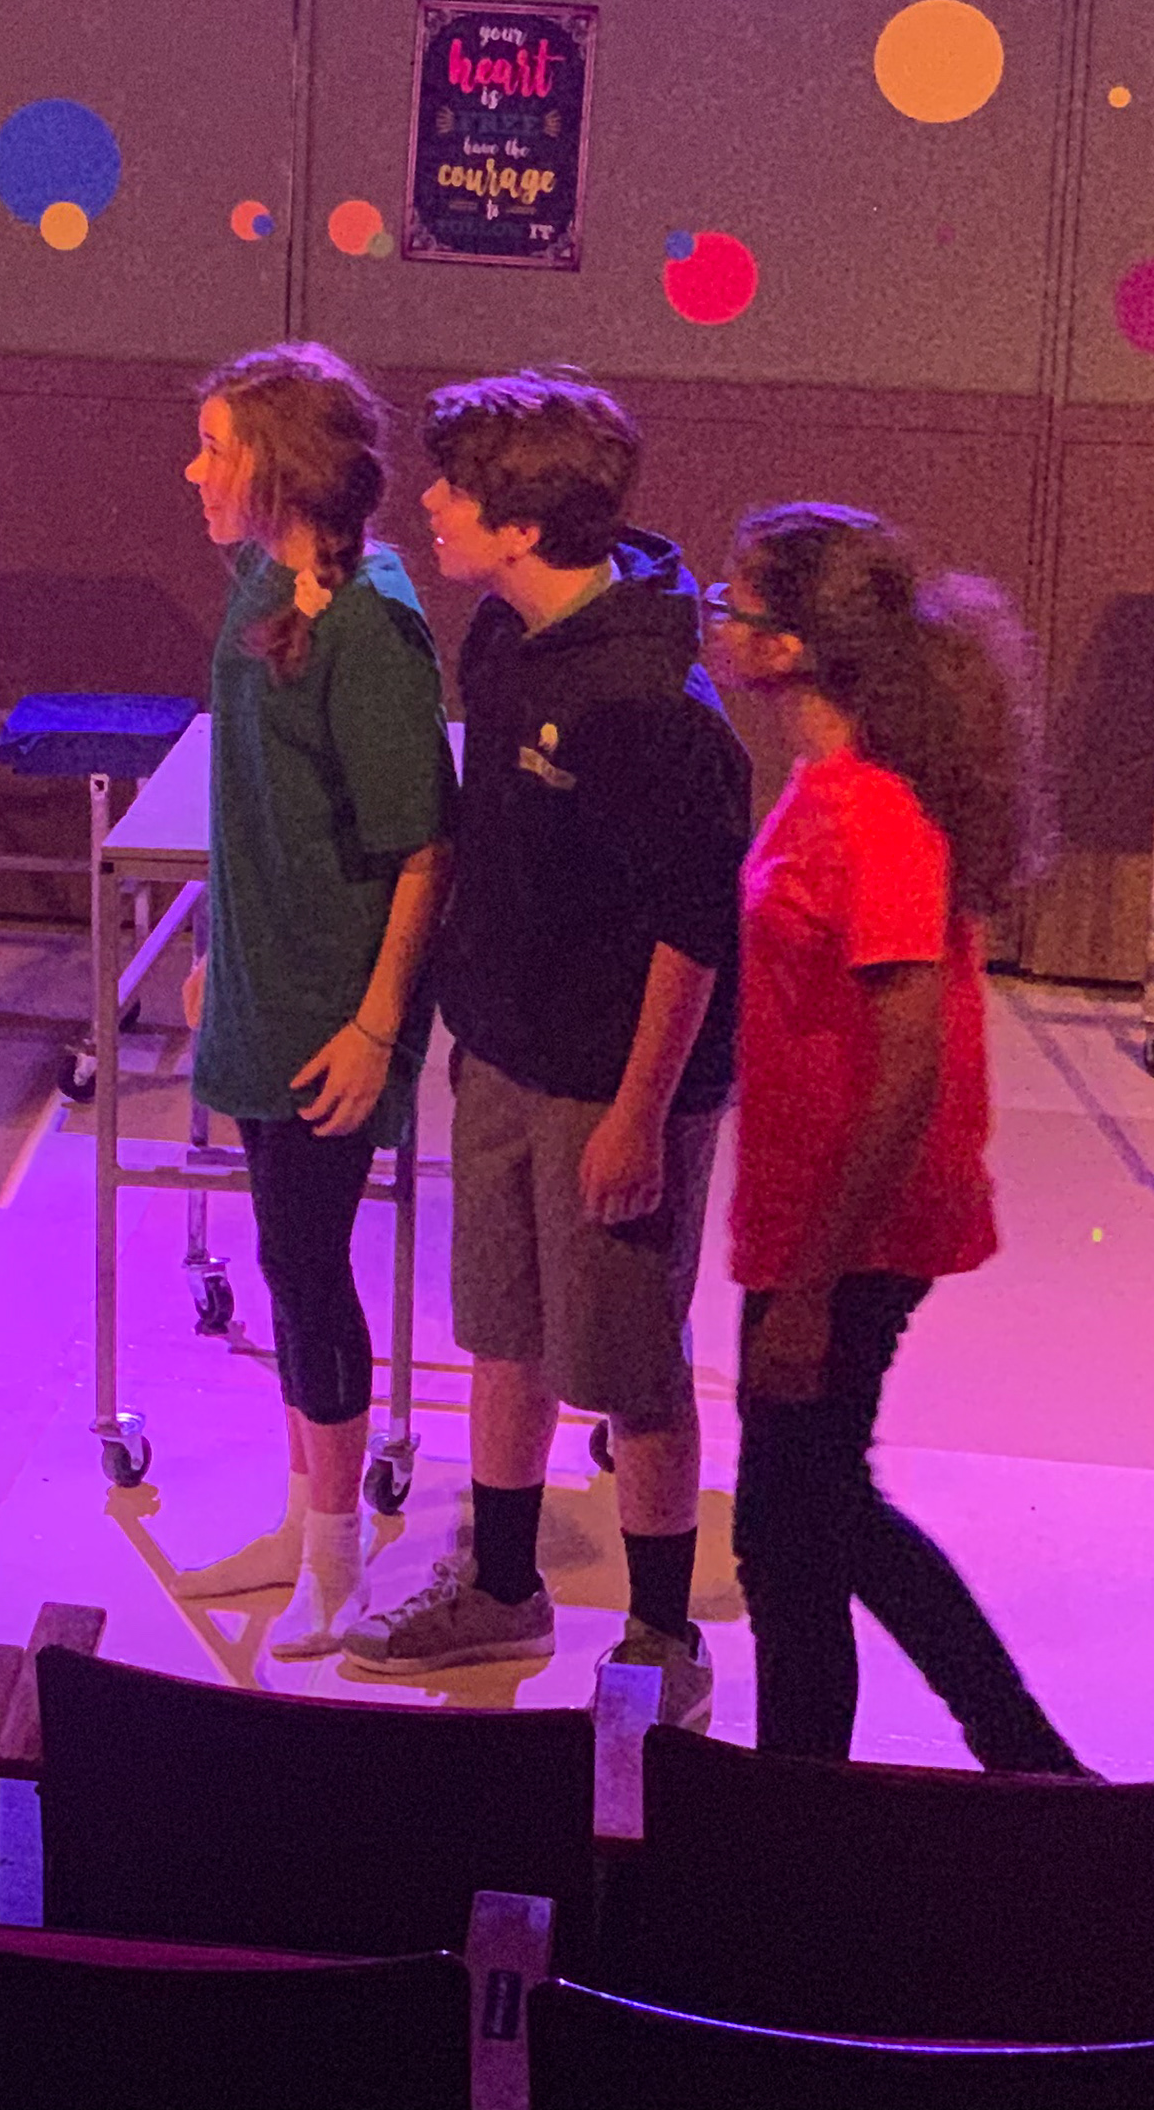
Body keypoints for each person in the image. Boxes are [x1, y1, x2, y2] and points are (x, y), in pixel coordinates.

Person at [344, 368, 748, 1726]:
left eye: (454, 489)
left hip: (613, 1085)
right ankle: (502, 1587)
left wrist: (638, 1116)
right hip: (505, 1055)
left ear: (521, 525)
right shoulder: (504, 635)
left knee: (631, 1367)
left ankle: (660, 1635)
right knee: (504, 1333)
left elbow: (695, 932)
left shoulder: (652, 703)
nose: (429, 504)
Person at [707, 505, 1082, 1772]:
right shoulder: (828, 787)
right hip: (809, 1218)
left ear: (793, 646)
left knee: (808, 1521)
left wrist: (812, 1288)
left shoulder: (872, 818)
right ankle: (844, 1786)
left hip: (853, 1230)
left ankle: (1018, 1757)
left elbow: (909, 1068)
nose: (717, 621)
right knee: (799, 1530)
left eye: (735, 604)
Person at [174, 347, 450, 1659]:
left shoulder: (369, 624)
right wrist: (217, 952)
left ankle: (338, 1555)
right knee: (285, 1263)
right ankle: (304, 1519)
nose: (195, 471)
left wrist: (376, 1023)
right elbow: (255, 802)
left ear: (279, 468)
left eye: (217, 449)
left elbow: (421, 846)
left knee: (306, 1262)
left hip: (331, 1006)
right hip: (260, 980)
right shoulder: (259, 582)